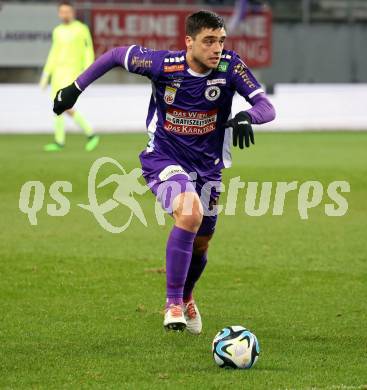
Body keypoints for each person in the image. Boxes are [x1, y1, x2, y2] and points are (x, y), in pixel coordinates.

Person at [53, 10, 276, 333]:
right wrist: (75, 87)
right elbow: (116, 55)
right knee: (188, 213)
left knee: (201, 244)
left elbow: (266, 107)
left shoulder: (230, 66)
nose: (217, 48)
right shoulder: (164, 65)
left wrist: (247, 117)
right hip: (163, 158)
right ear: (189, 41)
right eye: (209, 41)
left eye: (221, 41)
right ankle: (172, 303)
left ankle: (186, 296)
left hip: (208, 167)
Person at [40, 1, 99, 152]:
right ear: (59, 13)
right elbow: (53, 53)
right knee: (57, 106)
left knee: (65, 105)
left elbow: (88, 51)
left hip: (72, 72)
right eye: (62, 12)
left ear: (72, 12)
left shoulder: (81, 29)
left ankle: (90, 133)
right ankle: (59, 141)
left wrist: (89, 71)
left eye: (67, 11)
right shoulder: (57, 31)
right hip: (57, 74)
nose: (65, 14)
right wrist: (46, 74)